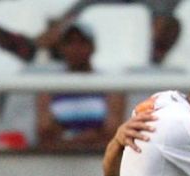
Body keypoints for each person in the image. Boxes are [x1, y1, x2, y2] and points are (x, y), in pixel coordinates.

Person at [0, 0, 181, 65]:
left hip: (154, 9)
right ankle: (33, 46)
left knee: (161, 20)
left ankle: (152, 52)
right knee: (80, 10)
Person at [35, 22, 125, 152]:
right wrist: (87, 138)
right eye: (69, 42)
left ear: (93, 47)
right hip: (58, 160)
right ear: (61, 48)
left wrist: (70, 139)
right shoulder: (50, 86)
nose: (76, 48)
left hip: (97, 159)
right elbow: (44, 131)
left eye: (82, 42)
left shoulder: (109, 85)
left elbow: (113, 132)